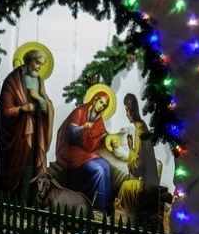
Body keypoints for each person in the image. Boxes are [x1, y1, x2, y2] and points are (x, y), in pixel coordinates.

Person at [0, 48, 55, 203]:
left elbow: (48, 105)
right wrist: (22, 108)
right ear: (29, 60)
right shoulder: (12, 80)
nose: (39, 67)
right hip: (17, 137)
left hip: (35, 134)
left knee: (32, 169)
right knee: (19, 168)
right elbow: (4, 111)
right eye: (37, 63)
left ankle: (29, 204)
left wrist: (39, 99)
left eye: (41, 64)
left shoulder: (39, 80)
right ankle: (12, 203)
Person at [54, 91, 114, 216]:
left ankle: (105, 210)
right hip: (71, 150)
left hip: (86, 153)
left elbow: (101, 134)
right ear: (95, 99)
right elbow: (70, 133)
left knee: (106, 167)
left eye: (104, 105)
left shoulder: (98, 119)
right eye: (101, 102)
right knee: (98, 170)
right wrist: (83, 127)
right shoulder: (80, 112)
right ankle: (96, 209)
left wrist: (109, 139)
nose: (101, 106)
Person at [117, 93, 160, 225]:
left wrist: (130, 149)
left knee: (125, 186)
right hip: (151, 184)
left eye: (126, 110)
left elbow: (137, 168)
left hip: (145, 188)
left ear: (131, 110)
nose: (126, 114)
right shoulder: (142, 126)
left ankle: (127, 221)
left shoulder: (139, 132)